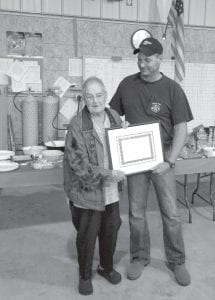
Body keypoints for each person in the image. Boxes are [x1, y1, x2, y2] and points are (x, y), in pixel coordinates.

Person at [110, 37, 193, 286]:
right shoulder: (127, 85)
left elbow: (181, 128)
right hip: (135, 158)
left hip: (163, 157)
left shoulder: (172, 89)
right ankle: (139, 256)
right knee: (136, 213)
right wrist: (117, 121)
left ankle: (177, 261)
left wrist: (169, 161)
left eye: (147, 59)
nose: (142, 64)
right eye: (139, 59)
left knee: (171, 213)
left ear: (159, 59)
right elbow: (113, 109)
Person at [63, 76, 125, 295]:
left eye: (99, 95)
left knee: (111, 230)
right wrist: (108, 174)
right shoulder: (77, 124)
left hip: (110, 191)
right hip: (87, 191)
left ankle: (105, 267)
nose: (95, 100)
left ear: (106, 95)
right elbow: (79, 165)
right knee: (87, 236)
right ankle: (84, 275)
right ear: (84, 99)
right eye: (90, 96)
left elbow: (121, 144)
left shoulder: (114, 116)